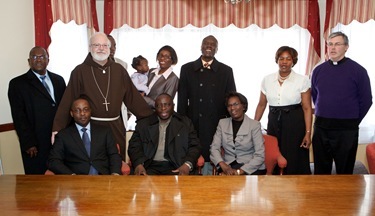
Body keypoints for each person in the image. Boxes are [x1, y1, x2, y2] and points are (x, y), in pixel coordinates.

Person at [52, 32, 153, 160]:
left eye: (105, 45)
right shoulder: (80, 71)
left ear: (109, 48)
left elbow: (133, 98)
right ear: (90, 47)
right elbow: (68, 101)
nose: (101, 48)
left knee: (116, 164)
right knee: (93, 165)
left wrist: (152, 119)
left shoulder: (119, 70)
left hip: (115, 127)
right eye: (97, 45)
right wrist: (58, 128)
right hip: (90, 127)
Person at [311, 31, 372, 174]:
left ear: (346, 47)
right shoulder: (318, 70)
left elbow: (366, 100)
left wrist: (352, 120)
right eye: (330, 44)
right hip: (321, 128)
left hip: (347, 130)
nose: (332, 48)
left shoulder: (358, 71)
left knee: (344, 172)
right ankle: (321, 197)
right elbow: (315, 96)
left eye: (337, 44)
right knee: (321, 170)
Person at [177, 35, 236, 175]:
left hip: (216, 122)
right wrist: (181, 121)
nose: (209, 46)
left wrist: (229, 123)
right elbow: (182, 99)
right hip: (193, 122)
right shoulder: (187, 68)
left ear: (217, 49)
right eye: (206, 43)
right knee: (193, 153)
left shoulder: (226, 71)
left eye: (212, 44)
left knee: (212, 155)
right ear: (201, 47)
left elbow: (231, 100)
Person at [8, 46, 66, 174]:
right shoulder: (17, 84)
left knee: (61, 180)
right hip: (36, 145)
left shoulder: (59, 80)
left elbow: (65, 109)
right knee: (37, 183)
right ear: (29, 61)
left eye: (42, 57)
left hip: (59, 141)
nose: (38, 60)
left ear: (48, 60)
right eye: (34, 57)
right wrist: (28, 143)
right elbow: (19, 116)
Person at [254, 46, 312, 175]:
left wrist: (308, 132)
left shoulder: (302, 80)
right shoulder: (267, 79)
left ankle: (296, 188)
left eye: (288, 59)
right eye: (281, 59)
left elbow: (307, 108)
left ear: (293, 61)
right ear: (277, 60)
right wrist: (253, 125)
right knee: (274, 152)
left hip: (294, 121)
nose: (284, 62)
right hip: (274, 120)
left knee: (294, 156)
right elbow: (262, 105)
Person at [128, 93, 201, 175]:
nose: (163, 108)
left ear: (173, 105)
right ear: (155, 107)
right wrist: (138, 164)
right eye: (159, 106)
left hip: (176, 166)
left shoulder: (185, 123)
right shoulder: (144, 124)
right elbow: (134, 146)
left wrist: (187, 165)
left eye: (167, 105)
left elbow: (195, 146)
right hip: (149, 166)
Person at [48, 98, 122, 175]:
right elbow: (53, 160)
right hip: (76, 180)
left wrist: (115, 173)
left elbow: (114, 155)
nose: (82, 113)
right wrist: (70, 175)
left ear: (90, 111)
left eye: (85, 110)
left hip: (103, 178)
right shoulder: (63, 135)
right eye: (77, 110)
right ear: (71, 113)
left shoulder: (104, 132)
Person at [210, 92, 266, 175]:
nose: (232, 108)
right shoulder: (222, 123)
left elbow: (260, 155)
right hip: (228, 167)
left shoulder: (254, 125)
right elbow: (214, 148)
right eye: (229, 105)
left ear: (243, 106)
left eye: (235, 104)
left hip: (251, 169)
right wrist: (223, 166)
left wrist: (240, 171)